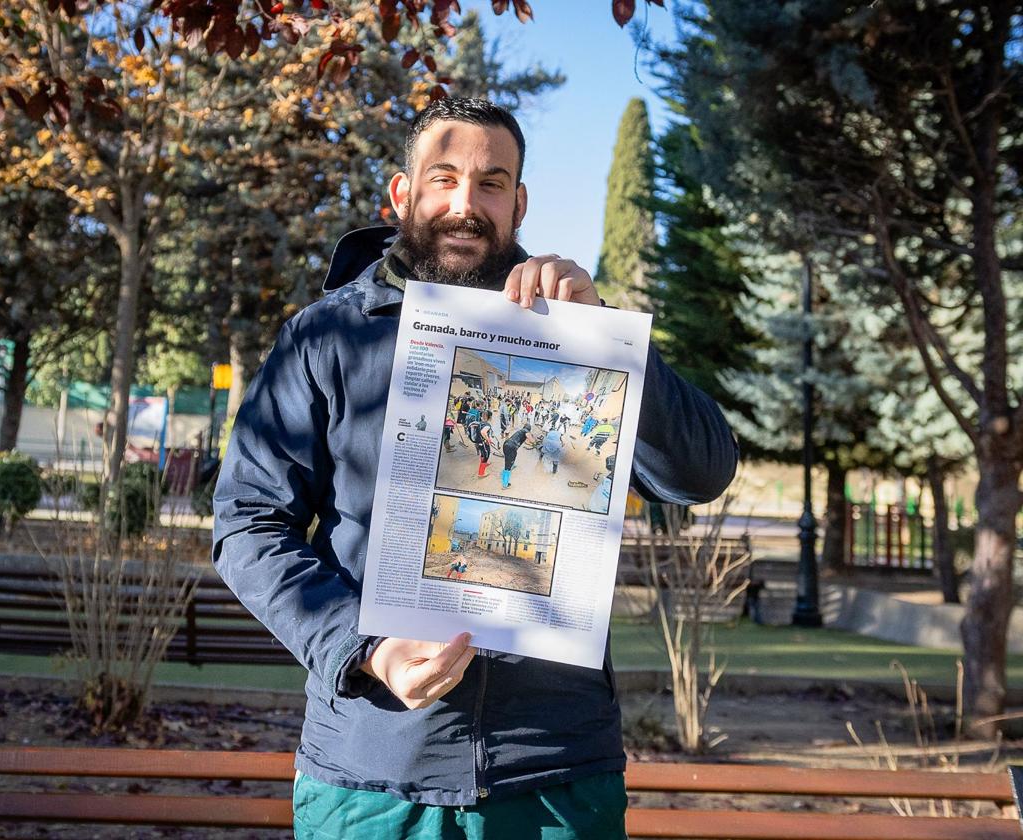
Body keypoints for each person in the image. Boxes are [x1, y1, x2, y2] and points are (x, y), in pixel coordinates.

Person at [213, 97, 738, 838]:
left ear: (518, 203)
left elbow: (702, 473)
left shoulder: (571, 326)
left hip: (554, 773)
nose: (467, 204)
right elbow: (246, 525)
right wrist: (362, 649)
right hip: (372, 770)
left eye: (492, 183)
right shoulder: (323, 338)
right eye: (445, 177)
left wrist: (611, 344)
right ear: (403, 193)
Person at [500, 422, 532, 488]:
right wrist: (535, 442)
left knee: (511, 457)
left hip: (506, 444)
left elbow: (526, 441)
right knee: (507, 467)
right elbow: (529, 437)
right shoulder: (525, 431)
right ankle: (505, 484)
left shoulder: (520, 432)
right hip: (511, 447)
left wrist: (530, 444)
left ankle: (511, 466)